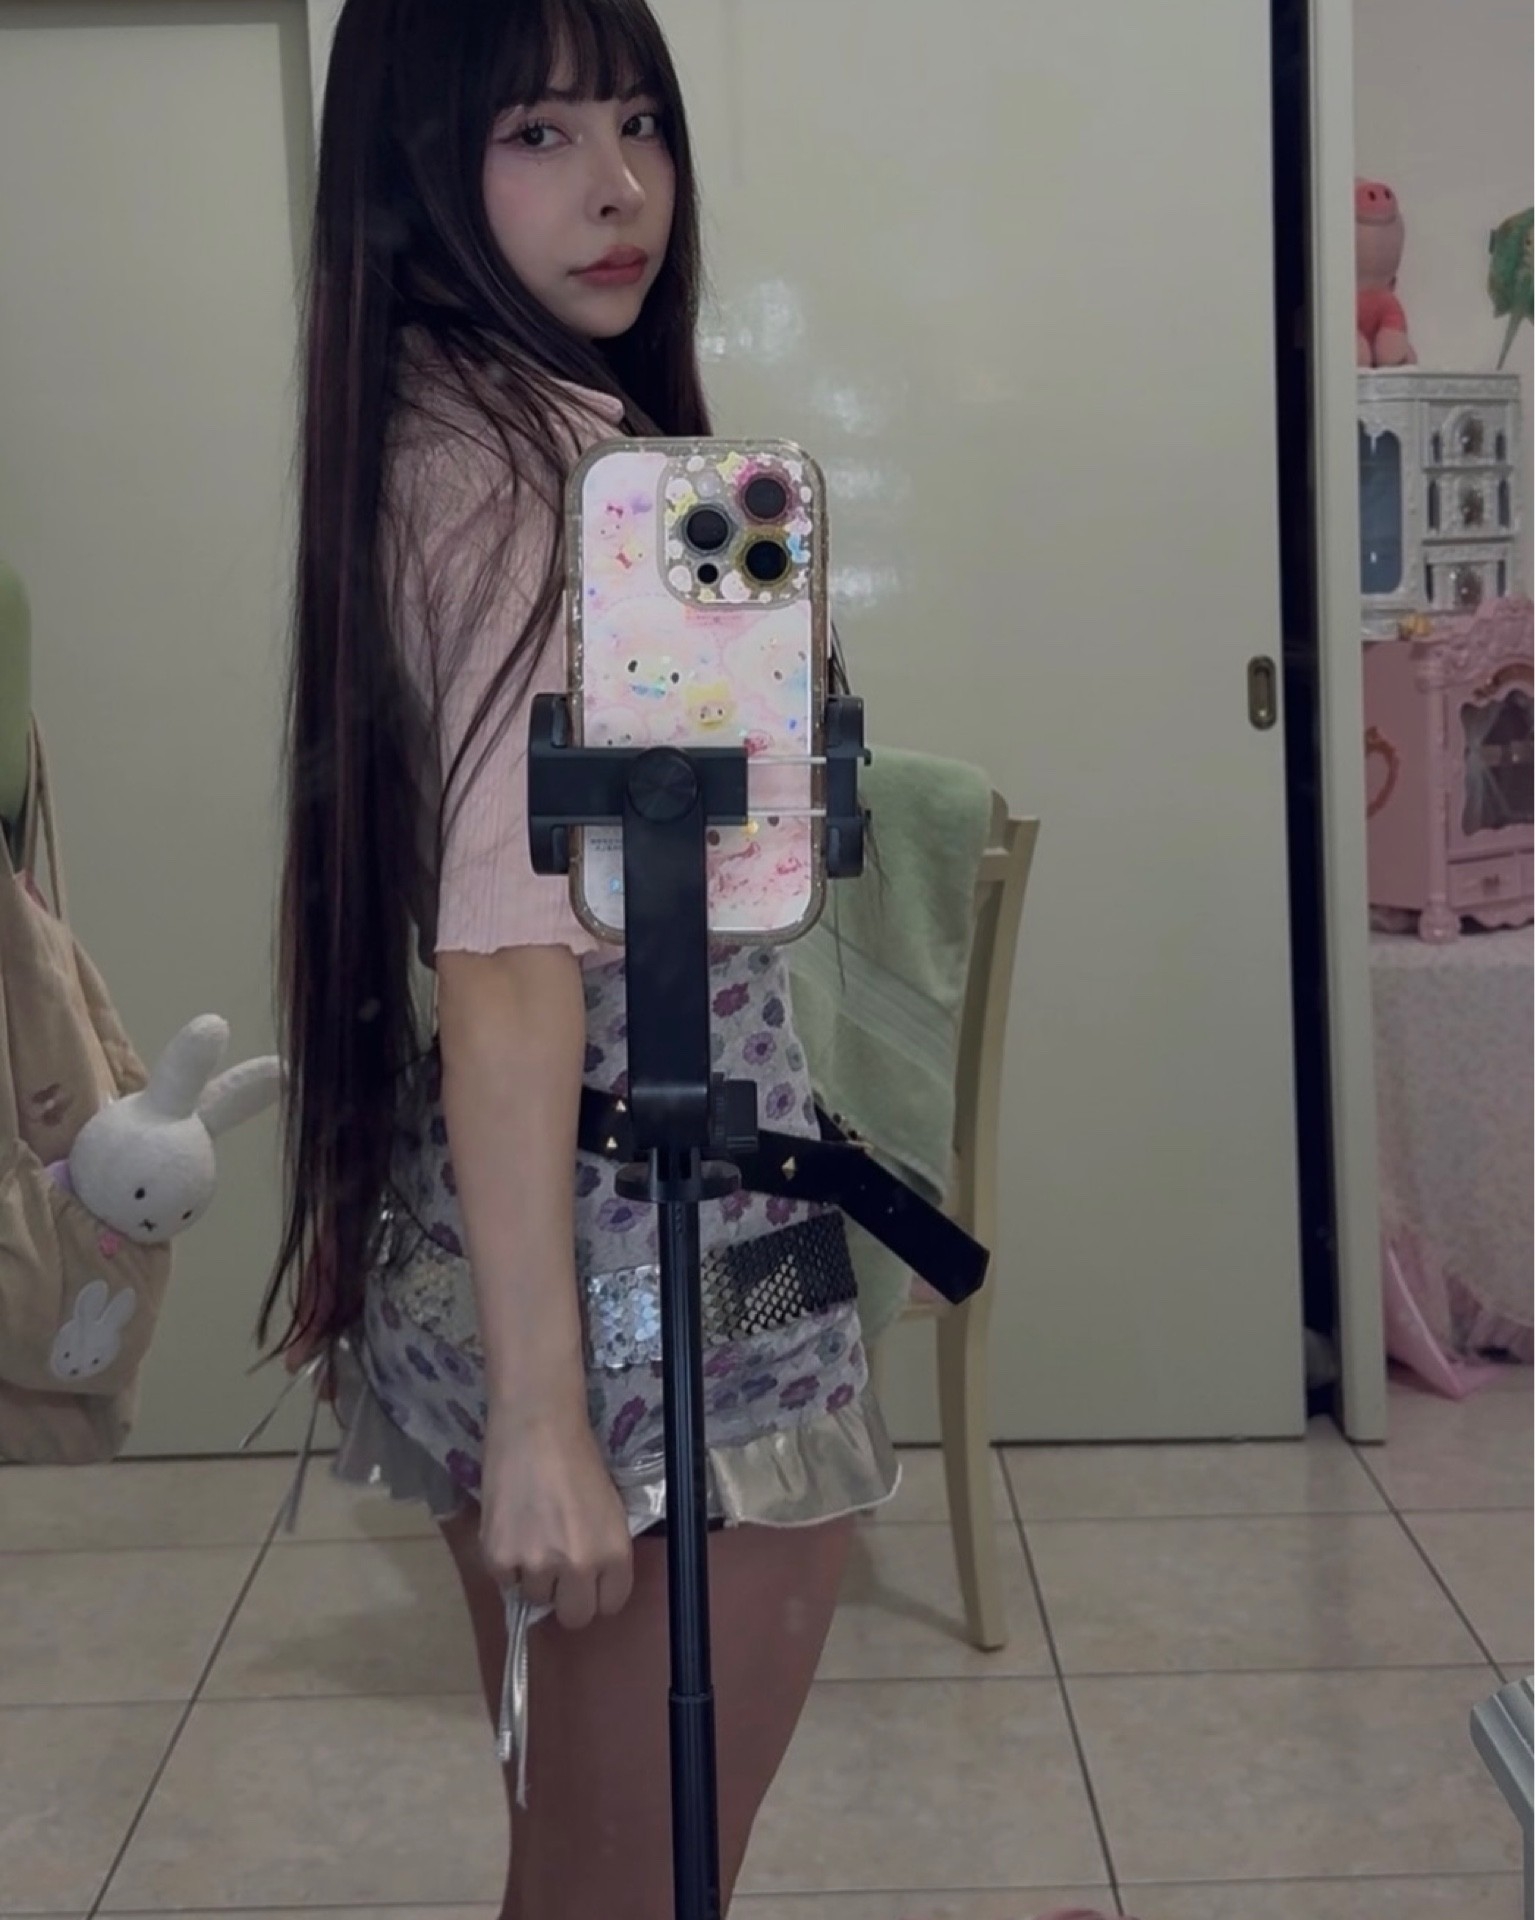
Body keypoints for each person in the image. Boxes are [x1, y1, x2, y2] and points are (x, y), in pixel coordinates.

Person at [262, 3, 899, 1915]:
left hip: (576, 1239)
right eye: (536, 134)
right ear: (413, 171)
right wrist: (551, 1415)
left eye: (637, 122)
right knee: (624, 1889)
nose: (619, 186)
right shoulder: (513, 468)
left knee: (584, 1867)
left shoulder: (479, 429)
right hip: (651, 1280)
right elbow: (506, 958)